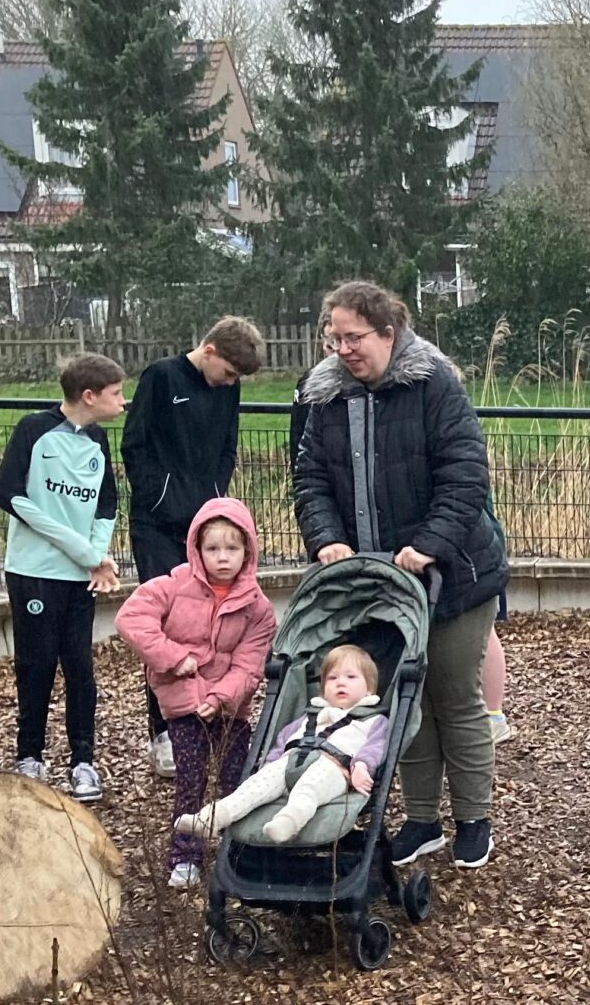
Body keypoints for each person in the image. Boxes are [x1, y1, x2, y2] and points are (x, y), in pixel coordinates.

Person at [293, 279, 508, 871]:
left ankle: (473, 818)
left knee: (453, 696)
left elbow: (464, 475)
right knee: (398, 700)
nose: (342, 349)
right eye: (333, 338)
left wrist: (426, 545)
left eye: (353, 337)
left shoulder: (432, 385)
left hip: (453, 577)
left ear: (389, 333)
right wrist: (327, 539)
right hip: (378, 584)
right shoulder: (326, 399)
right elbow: (309, 477)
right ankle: (420, 819)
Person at [121, 317, 267, 778]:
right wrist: (160, 497)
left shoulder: (228, 388)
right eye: (226, 372)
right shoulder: (162, 377)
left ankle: (208, 720)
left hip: (207, 526)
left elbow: (228, 444)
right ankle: (164, 730)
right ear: (208, 350)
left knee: (212, 627)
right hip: (159, 524)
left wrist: (215, 493)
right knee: (169, 625)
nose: (229, 383)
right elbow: (134, 444)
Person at [114, 497, 277, 888]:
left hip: (228, 708)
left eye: (232, 548)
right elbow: (130, 619)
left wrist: (220, 697)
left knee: (238, 778)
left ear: (247, 551)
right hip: (183, 705)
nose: (222, 557)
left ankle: (239, 851)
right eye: (212, 548)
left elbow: (248, 666)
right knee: (191, 778)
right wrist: (173, 656)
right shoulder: (173, 585)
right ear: (197, 549)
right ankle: (185, 854)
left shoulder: (258, 607)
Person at [0, 351, 125, 803]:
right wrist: (84, 552)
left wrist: (98, 557)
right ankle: (29, 756)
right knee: (36, 665)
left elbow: (107, 503)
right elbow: (10, 496)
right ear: (89, 396)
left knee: (80, 667)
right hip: (33, 572)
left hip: (81, 575)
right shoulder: (33, 429)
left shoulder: (98, 441)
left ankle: (82, 761)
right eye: (116, 394)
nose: (122, 402)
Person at [176, 645, 390, 846]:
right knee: (253, 788)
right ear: (323, 689)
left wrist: (361, 767)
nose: (340, 683)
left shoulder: (372, 720)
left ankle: (287, 823)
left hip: (335, 769)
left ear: (369, 690)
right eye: (332, 678)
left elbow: (374, 748)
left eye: (350, 677)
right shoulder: (309, 717)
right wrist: (268, 766)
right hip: (290, 762)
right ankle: (209, 819)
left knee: (310, 789)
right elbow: (282, 742)